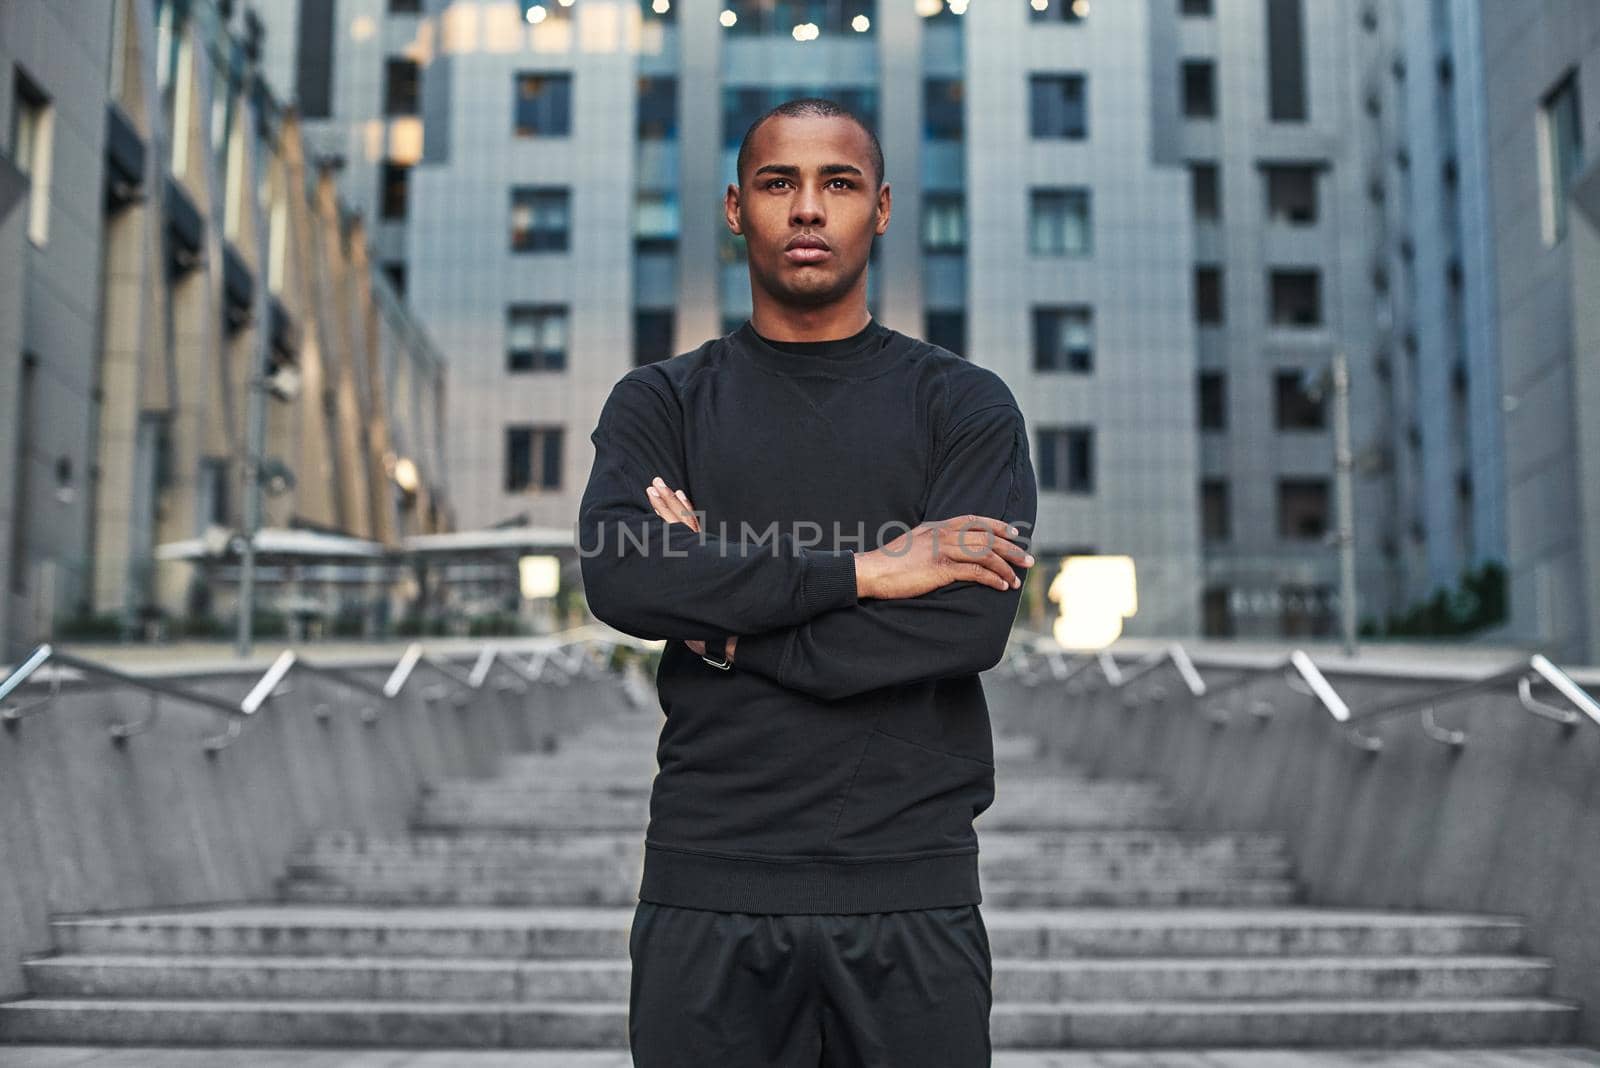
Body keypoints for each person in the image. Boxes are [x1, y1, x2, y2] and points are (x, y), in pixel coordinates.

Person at [577, 96, 1039, 1067]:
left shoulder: (963, 405)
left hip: (907, 881)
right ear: (737, 208)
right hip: (710, 878)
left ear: (880, 208)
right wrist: (871, 570)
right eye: (779, 183)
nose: (807, 209)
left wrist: (724, 619)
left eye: (836, 184)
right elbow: (624, 576)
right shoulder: (661, 402)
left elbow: (964, 628)